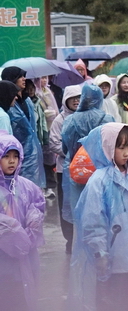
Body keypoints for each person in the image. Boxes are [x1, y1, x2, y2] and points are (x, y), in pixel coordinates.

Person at [70, 123, 128, 311]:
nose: (127, 153)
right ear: (108, 147)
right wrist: (101, 254)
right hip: (117, 258)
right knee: (116, 302)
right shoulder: (99, 181)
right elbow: (93, 222)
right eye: (121, 147)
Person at [0, 133, 46, 311]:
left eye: (15, 156)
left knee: (24, 294)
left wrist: (33, 223)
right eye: (6, 156)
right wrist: (10, 233)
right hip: (3, 257)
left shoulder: (26, 186)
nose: (12, 161)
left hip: (27, 254)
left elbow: (38, 205)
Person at [62, 82, 115, 227]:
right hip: (101, 171)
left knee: (79, 214)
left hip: (77, 171)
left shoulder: (69, 120)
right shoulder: (107, 119)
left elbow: (65, 148)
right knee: (101, 213)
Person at [1, 68, 46, 189]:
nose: (24, 79)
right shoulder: (7, 106)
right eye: (20, 76)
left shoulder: (27, 100)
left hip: (33, 152)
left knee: (32, 190)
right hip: (15, 154)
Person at [49, 83, 80, 250]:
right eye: (72, 98)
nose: (76, 101)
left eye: (78, 98)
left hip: (83, 169)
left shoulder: (84, 117)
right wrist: (70, 152)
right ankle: (69, 238)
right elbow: (54, 143)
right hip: (64, 170)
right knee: (65, 204)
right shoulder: (59, 120)